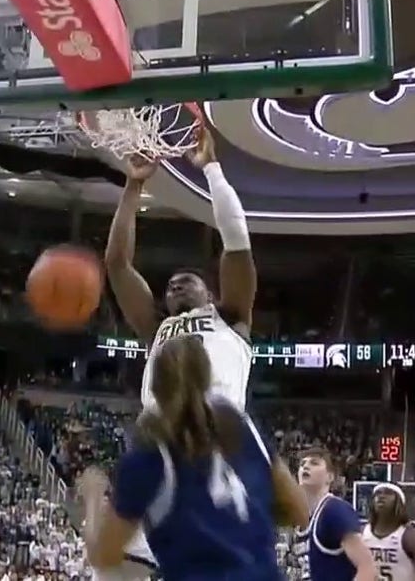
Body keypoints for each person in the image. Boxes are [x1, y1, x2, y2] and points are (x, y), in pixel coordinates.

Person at [103, 123, 256, 578]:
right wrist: (133, 186)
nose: (174, 284)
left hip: (215, 449)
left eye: (187, 280)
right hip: (156, 449)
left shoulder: (230, 318)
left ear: (209, 293)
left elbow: (237, 242)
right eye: (169, 285)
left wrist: (212, 169)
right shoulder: (157, 328)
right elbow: (116, 264)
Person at [77, 335, 307, 581]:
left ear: (152, 387)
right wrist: (244, 519)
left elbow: (104, 557)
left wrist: (93, 496)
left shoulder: (148, 454)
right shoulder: (239, 426)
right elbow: (299, 511)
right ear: (208, 378)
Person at [295, 449, 377, 581]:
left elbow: (368, 568)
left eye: (314, 463)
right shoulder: (304, 517)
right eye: (302, 464)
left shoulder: (334, 510)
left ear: (330, 477)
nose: (305, 466)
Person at [360, 484, 415, 581]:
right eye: (377, 493)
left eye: (388, 493)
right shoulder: (360, 534)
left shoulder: (412, 538)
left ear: (399, 502)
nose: (381, 496)